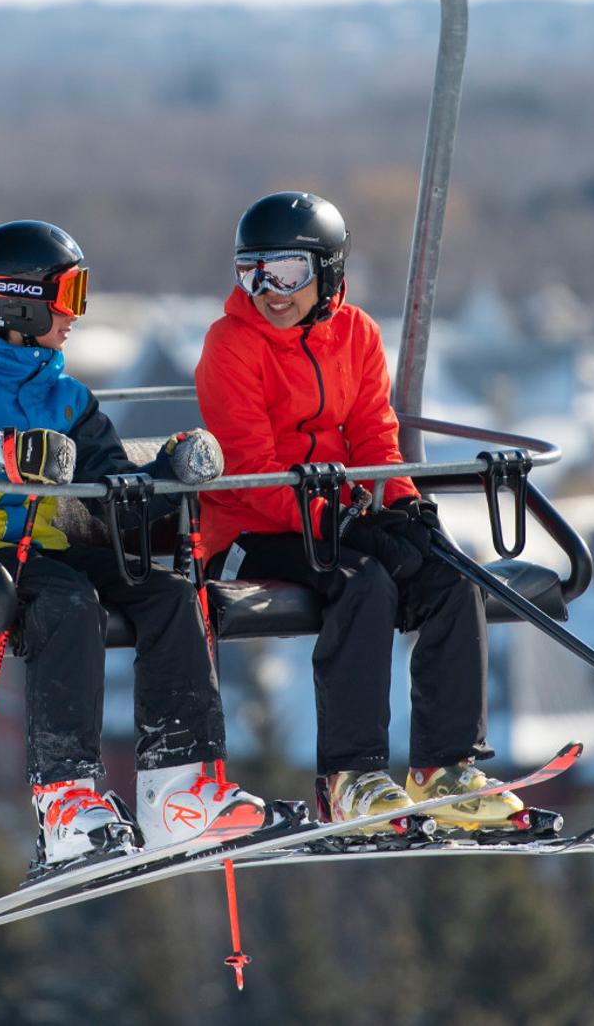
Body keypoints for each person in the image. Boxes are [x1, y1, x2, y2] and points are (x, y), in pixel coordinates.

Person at [0, 219, 266, 871]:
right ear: (17, 304)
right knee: (66, 601)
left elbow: (109, 484)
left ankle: (179, 791)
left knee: (169, 592)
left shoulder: (66, 398)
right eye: (69, 295)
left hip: (42, 551)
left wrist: (168, 474)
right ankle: (65, 801)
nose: (76, 315)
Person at [193, 191, 522, 830]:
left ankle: (446, 767)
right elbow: (251, 469)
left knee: (452, 575)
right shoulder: (230, 345)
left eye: (285, 272)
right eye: (251, 271)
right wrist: (346, 525)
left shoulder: (358, 334)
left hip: (336, 519)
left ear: (328, 272)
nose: (269, 289)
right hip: (248, 527)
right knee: (362, 583)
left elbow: (375, 437)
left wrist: (405, 509)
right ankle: (353, 776)